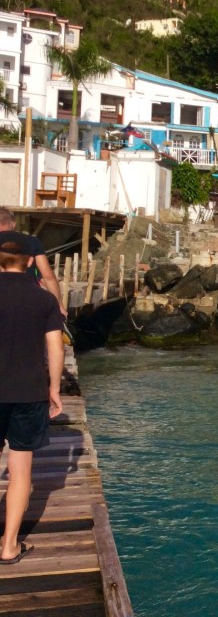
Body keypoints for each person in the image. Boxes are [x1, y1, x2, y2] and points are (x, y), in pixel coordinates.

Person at [0, 233, 64, 565]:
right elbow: (55, 347)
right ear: (28, 262)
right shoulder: (44, 300)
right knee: (20, 469)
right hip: (28, 392)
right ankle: (9, 545)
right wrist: (54, 388)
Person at [0, 207, 67, 317]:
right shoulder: (32, 241)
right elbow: (48, 276)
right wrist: (59, 306)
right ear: (13, 224)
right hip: (29, 297)